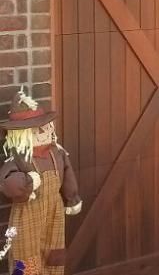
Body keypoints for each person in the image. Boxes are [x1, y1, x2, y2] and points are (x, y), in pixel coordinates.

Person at [0, 88, 81, 275]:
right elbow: (6, 182)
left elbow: (67, 174)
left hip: (54, 211)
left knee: (54, 251)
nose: (44, 131)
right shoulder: (19, 159)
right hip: (26, 215)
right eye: (36, 129)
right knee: (26, 256)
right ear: (21, 134)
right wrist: (28, 181)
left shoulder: (57, 153)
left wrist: (72, 197)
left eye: (45, 126)